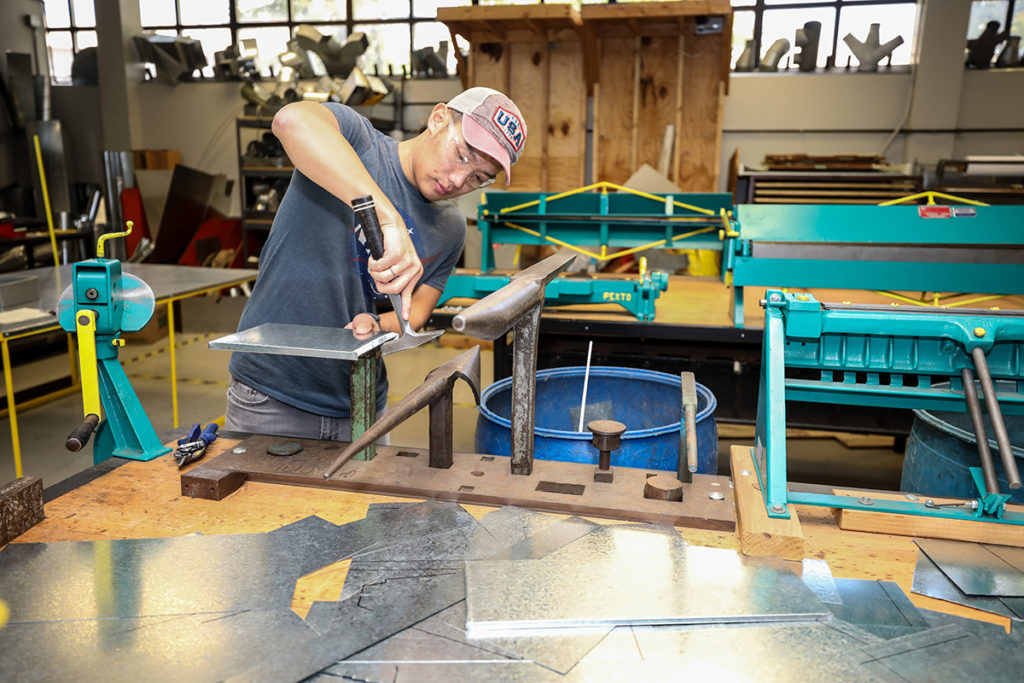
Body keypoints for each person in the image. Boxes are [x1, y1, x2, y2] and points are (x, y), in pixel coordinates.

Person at [224, 87, 528, 441]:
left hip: (362, 402)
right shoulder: (357, 141)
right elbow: (290, 120)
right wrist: (387, 218)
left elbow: (414, 316)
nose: (459, 180)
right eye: (462, 155)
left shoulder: (450, 228)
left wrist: (376, 322)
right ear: (438, 118)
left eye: (478, 178)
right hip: (271, 393)